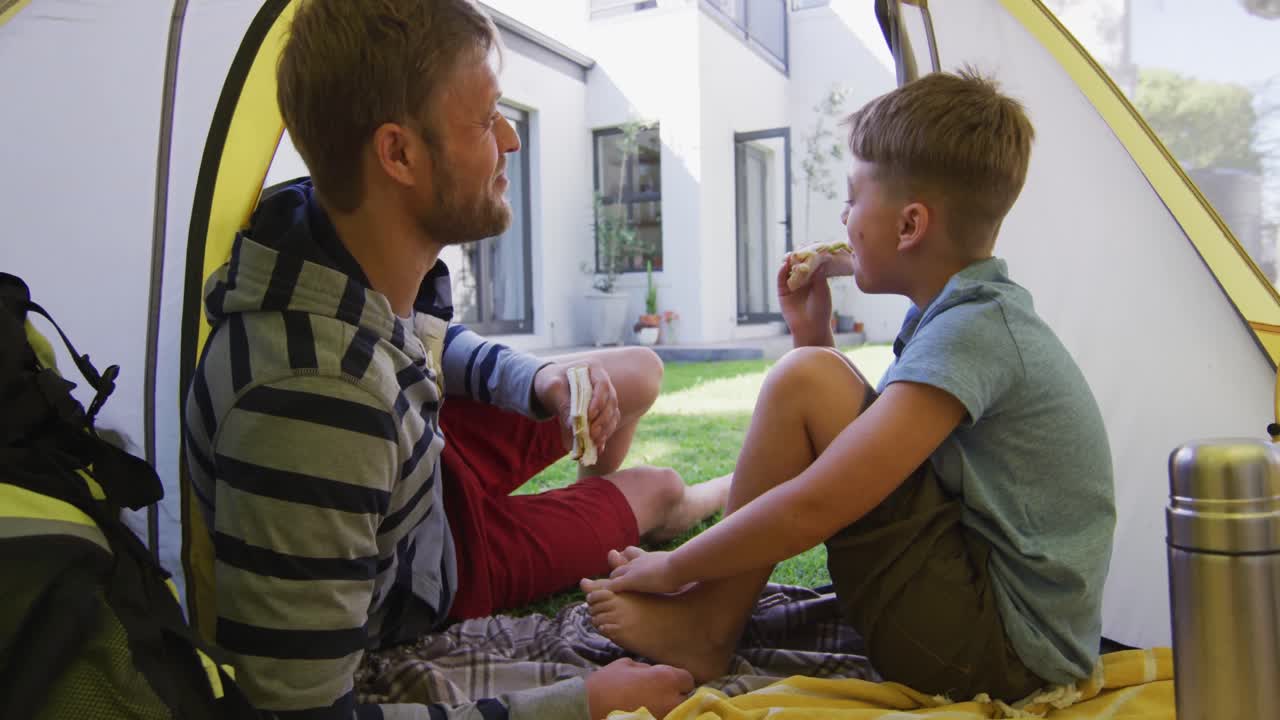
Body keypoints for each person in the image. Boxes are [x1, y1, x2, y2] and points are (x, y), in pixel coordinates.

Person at [183, 1, 726, 717]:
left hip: (420, 471)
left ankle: (595, 499)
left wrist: (538, 383)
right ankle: (712, 497)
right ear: (399, 153)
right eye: (486, 119)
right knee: (657, 488)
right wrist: (582, 703)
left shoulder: (325, 244)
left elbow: (429, 343)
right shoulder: (312, 405)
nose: (511, 139)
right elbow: (299, 712)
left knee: (634, 373)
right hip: (445, 566)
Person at [582, 69, 1117, 703]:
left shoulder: (974, 333)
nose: (842, 216)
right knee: (812, 375)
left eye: (852, 196)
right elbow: (861, 460)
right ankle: (708, 618)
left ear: (910, 225)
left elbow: (819, 502)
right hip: (992, 624)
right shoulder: (968, 317)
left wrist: (672, 567)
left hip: (998, 655)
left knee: (806, 379)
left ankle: (704, 625)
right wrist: (815, 333)